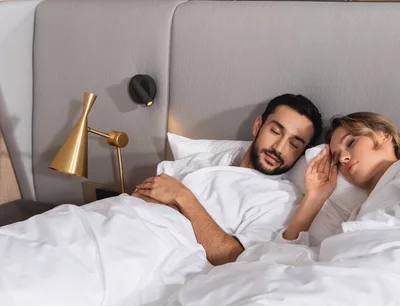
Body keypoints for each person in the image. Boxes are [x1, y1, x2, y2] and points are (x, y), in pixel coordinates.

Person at [134, 94, 322, 265]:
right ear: (258, 126)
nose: (279, 148)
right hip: (130, 221)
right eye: (275, 131)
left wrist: (183, 198)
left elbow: (232, 258)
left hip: (162, 254)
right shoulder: (205, 160)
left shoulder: (281, 199)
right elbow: (142, 192)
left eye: (294, 144)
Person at [283, 111, 400, 241]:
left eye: (350, 143)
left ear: (384, 135)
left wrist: (351, 236)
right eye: (337, 156)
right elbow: (293, 257)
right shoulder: (356, 215)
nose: (343, 157)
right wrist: (314, 198)